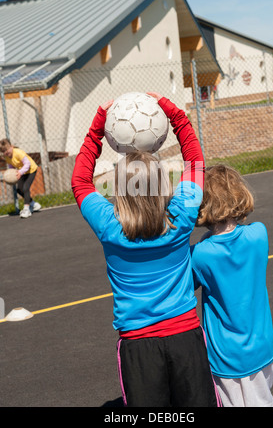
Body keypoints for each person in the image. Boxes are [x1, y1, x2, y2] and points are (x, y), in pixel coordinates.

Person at [71, 93, 220, 407]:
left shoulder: (111, 228)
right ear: (165, 183)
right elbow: (195, 161)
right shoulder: (180, 218)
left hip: (138, 344)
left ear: (119, 189)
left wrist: (98, 126)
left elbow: (81, 182)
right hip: (185, 337)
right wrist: (174, 113)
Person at [191, 164, 273, 407]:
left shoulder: (200, 255)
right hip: (262, 346)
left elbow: (188, 284)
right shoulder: (260, 234)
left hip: (228, 356)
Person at [0, 138, 41, 218]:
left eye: (6, 150)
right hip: (22, 172)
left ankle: (27, 209)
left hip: (31, 170)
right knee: (19, 189)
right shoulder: (7, 157)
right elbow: (11, 166)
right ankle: (33, 204)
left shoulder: (18, 152)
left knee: (26, 188)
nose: (5, 153)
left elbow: (27, 164)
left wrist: (20, 172)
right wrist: (11, 174)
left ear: (11, 146)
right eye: (3, 152)